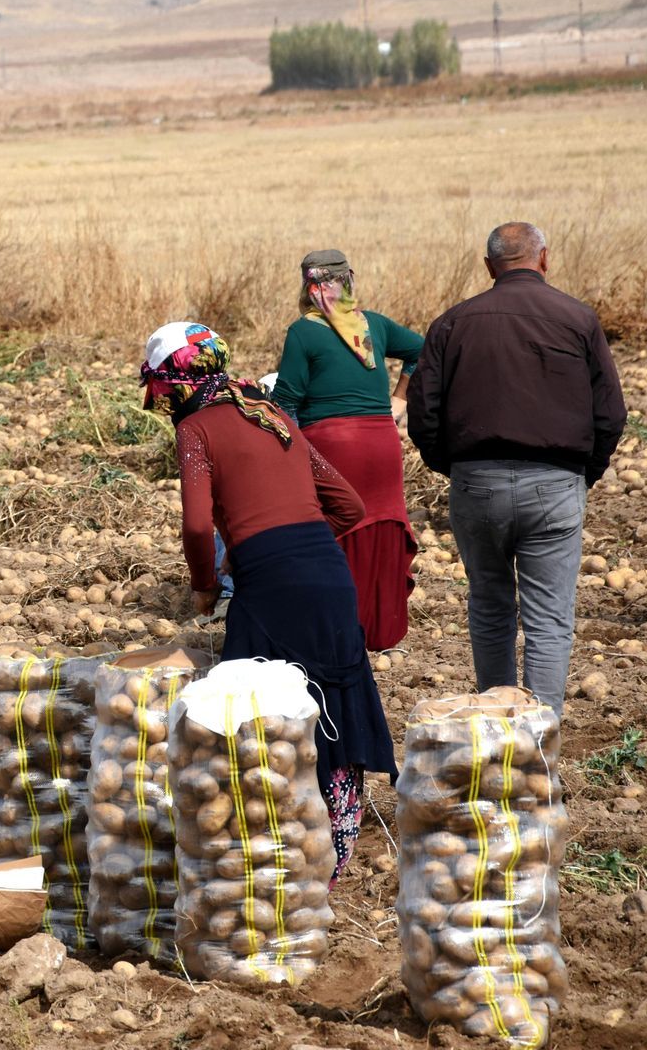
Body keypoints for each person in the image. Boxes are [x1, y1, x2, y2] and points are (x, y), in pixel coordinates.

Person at [142, 320, 396, 880]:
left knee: (253, 712)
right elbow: (349, 507)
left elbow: (194, 525)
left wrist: (208, 579)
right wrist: (295, 543)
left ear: (173, 385)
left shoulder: (197, 432)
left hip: (270, 588)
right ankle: (334, 851)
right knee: (332, 704)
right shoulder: (273, 415)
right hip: (330, 580)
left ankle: (268, 847)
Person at [406, 222, 625, 715]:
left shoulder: (451, 323)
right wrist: (580, 473)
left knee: (489, 606)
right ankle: (538, 740)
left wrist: (455, 466)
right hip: (555, 481)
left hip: (475, 481)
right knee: (549, 619)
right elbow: (610, 414)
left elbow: (423, 412)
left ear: (489, 267)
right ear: (544, 259)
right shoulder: (577, 318)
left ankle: (495, 725)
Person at [271, 249, 424, 651]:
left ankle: (336, 628)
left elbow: (287, 401)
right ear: (350, 281)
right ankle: (379, 628)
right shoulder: (374, 325)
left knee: (332, 528)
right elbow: (423, 350)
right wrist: (400, 400)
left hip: (333, 446)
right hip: (382, 443)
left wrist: (286, 452)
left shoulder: (303, 332)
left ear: (307, 287)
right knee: (381, 525)